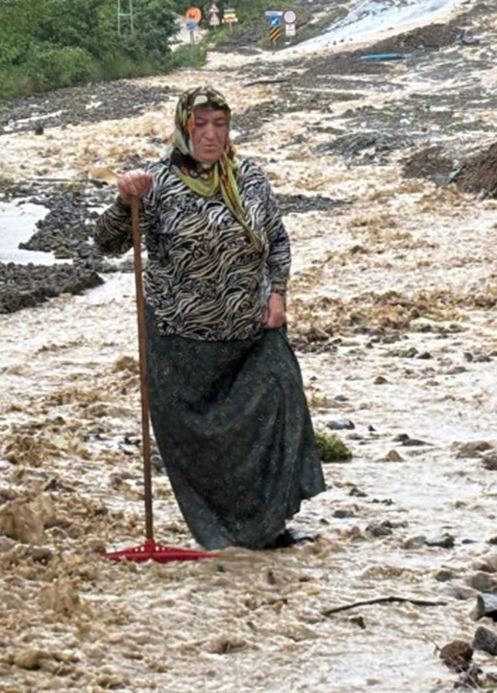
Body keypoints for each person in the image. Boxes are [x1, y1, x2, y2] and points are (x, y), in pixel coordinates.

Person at [93, 86, 325, 550]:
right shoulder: (154, 185)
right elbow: (107, 243)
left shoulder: (250, 178)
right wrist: (124, 202)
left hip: (251, 331)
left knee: (280, 402)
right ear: (183, 127)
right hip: (181, 339)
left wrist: (277, 293)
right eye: (201, 124)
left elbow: (277, 240)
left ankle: (269, 524)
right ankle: (220, 532)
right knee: (203, 444)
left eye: (220, 124)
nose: (211, 134)